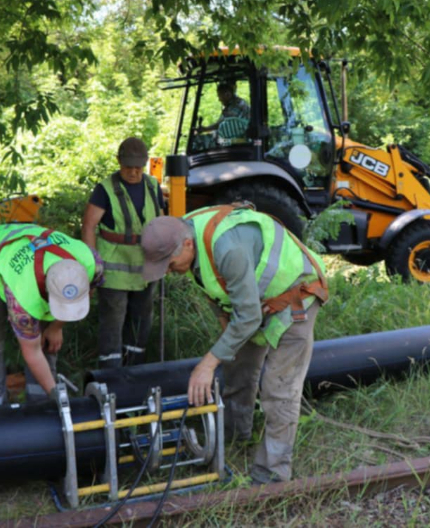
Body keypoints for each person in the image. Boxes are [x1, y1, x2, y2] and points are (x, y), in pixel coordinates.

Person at [140, 205, 328, 484]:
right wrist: (226, 331)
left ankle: (272, 473)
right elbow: (216, 289)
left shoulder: (226, 248)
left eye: (169, 263)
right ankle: (234, 436)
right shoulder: (186, 234)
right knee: (237, 368)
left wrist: (207, 363)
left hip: (295, 296)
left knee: (279, 388)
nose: (168, 271)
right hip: (255, 303)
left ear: (187, 245)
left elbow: (249, 316)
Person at [0, 223, 102, 406]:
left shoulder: (90, 261)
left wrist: (56, 327)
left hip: (31, 258)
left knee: (47, 342)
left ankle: (42, 406)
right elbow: (31, 351)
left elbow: (89, 291)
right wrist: (58, 396)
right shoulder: (24, 296)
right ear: (47, 291)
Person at [81, 137, 165, 368]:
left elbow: (160, 221)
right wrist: (92, 266)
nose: (133, 172)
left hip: (146, 268)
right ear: (118, 162)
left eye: (138, 168)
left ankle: (135, 370)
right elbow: (89, 226)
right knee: (113, 322)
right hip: (114, 269)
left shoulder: (152, 186)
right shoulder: (105, 189)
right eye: (128, 167)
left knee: (141, 320)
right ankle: (111, 375)